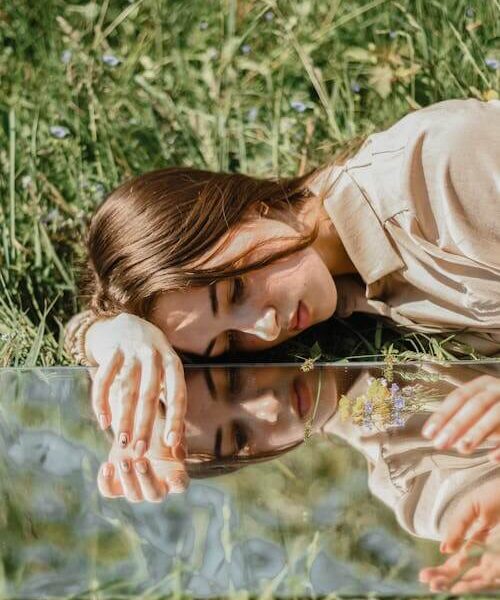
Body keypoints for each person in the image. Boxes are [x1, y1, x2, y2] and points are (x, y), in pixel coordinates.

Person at [63, 97, 500, 481]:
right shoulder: (344, 292)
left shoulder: (441, 169)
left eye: (235, 290)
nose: (267, 328)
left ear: (244, 209)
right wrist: (108, 333)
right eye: (230, 341)